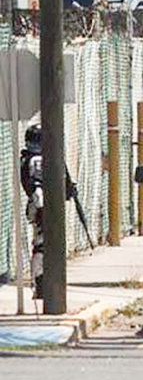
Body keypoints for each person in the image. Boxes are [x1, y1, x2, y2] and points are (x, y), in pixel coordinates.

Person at [19, 124, 77, 299]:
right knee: (42, 244)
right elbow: (37, 188)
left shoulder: (33, 159)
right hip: (41, 208)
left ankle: (43, 283)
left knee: (45, 244)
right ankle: (40, 283)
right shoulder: (36, 160)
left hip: (45, 208)